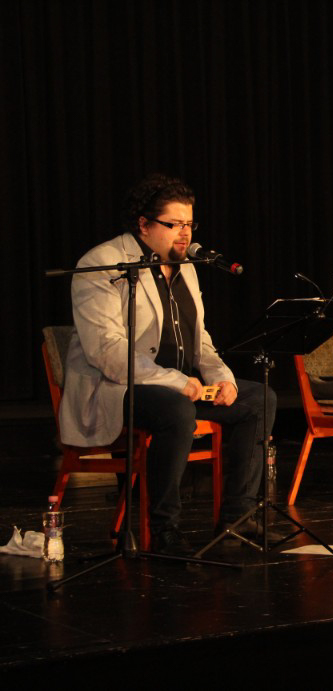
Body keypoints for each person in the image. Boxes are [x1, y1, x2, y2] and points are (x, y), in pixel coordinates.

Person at [58, 174, 276, 554]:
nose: (184, 233)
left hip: (179, 385)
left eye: (189, 223)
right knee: (176, 409)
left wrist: (223, 378)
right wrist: (175, 381)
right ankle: (164, 528)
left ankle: (238, 519)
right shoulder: (104, 263)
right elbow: (106, 351)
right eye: (174, 224)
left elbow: (199, 338)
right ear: (143, 224)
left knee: (259, 399)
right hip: (118, 387)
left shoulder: (185, 265)